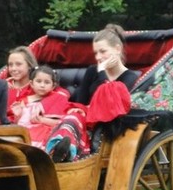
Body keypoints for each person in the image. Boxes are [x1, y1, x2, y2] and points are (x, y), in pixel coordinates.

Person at [45, 24, 140, 162]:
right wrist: (81, 110)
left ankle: (66, 151)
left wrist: (102, 72)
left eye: (102, 51)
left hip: (107, 122)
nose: (98, 57)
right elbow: (81, 102)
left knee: (75, 119)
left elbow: (111, 102)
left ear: (117, 49)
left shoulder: (129, 76)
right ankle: (59, 150)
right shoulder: (92, 71)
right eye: (96, 53)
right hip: (84, 116)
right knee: (73, 116)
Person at [13, 65, 70, 148]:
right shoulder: (24, 100)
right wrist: (17, 115)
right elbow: (18, 122)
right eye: (39, 81)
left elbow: (60, 122)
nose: (42, 85)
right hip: (24, 132)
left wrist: (42, 120)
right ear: (31, 84)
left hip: (44, 133)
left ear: (53, 86)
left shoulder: (56, 99)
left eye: (47, 82)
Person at [0, 45, 38, 122]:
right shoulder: (1, 85)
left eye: (18, 64)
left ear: (29, 65)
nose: (13, 69)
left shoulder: (37, 87)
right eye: (10, 65)